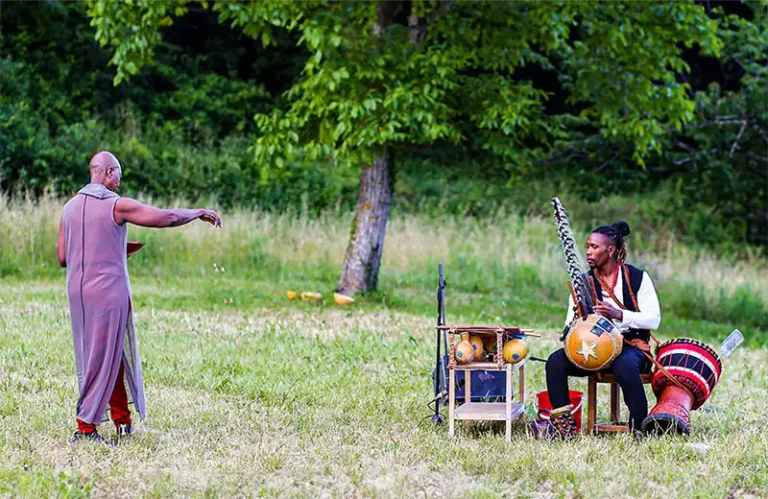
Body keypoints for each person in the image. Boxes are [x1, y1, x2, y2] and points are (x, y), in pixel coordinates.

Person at [57, 151, 222, 445]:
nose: (120, 182)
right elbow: (166, 217)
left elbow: (62, 257)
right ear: (107, 172)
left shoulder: (69, 208)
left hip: (78, 293)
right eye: (119, 174)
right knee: (101, 356)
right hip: (108, 292)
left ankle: (122, 421)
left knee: (108, 353)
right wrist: (196, 212)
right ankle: (85, 428)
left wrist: (113, 250)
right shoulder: (116, 205)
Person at [544, 221, 661, 437]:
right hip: (592, 347)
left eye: (594, 247)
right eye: (587, 246)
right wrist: (579, 323)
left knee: (625, 366)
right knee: (555, 362)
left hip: (630, 346)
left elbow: (654, 320)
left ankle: (639, 428)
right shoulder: (583, 282)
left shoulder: (637, 278)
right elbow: (568, 325)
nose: (588, 251)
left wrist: (618, 314)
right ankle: (565, 427)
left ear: (611, 250)